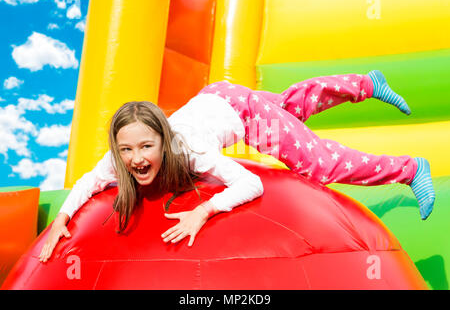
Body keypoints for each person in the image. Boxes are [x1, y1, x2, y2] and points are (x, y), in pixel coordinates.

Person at [38, 70, 435, 263]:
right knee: (293, 106)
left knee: (317, 162)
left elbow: (251, 184)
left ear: (163, 139)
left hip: (242, 112)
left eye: (146, 146)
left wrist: (203, 210)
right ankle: (366, 84)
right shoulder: (122, 158)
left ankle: (409, 169)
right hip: (216, 95)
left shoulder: (189, 148)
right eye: (127, 150)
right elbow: (89, 181)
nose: (137, 159)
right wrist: (63, 219)